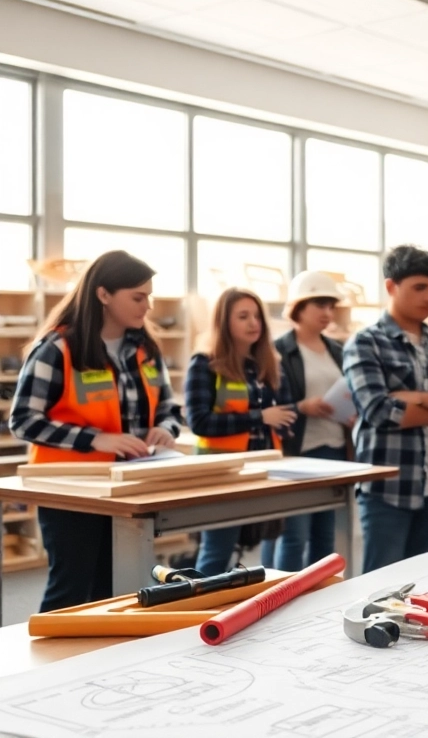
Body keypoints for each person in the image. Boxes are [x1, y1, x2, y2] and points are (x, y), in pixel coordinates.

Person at [10, 250, 183, 611]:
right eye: (138, 297)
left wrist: (165, 430)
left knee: (118, 590)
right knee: (70, 590)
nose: (147, 306)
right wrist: (95, 439)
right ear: (103, 295)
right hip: (72, 492)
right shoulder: (57, 349)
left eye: (149, 296)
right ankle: (52, 667)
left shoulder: (146, 349)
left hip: (130, 490)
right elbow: (24, 420)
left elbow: (170, 409)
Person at [344, 246, 428, 573]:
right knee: (380, 587)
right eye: (419, 287)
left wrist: (412, 397)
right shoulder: (365, 342)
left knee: (422, 584)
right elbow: (379, 410)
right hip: (388, 487)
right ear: (391, 287)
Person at [187, 288, 294, 576]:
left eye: (257, 316)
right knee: (217, 550)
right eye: (243, 316)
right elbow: (199, 421)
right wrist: (260, 417)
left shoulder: (268, 364)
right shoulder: (204, 364)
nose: (253, 323)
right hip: (221, 473)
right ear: (225, 323)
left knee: (250, 552)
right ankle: (199, 613)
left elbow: (282, 415)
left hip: (265, 470)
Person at [273, 271, 348, 571]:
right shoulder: (279, 351)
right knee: (294, 536)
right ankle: (279, 601)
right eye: (320, 304)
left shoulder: (338, 350)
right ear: (299, 308)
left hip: (335, 452)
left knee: (325, 538)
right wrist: (301, 407)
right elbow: (269, 406)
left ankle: (318, 602)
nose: (327, 313)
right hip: (297, 454)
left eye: (330, 306)